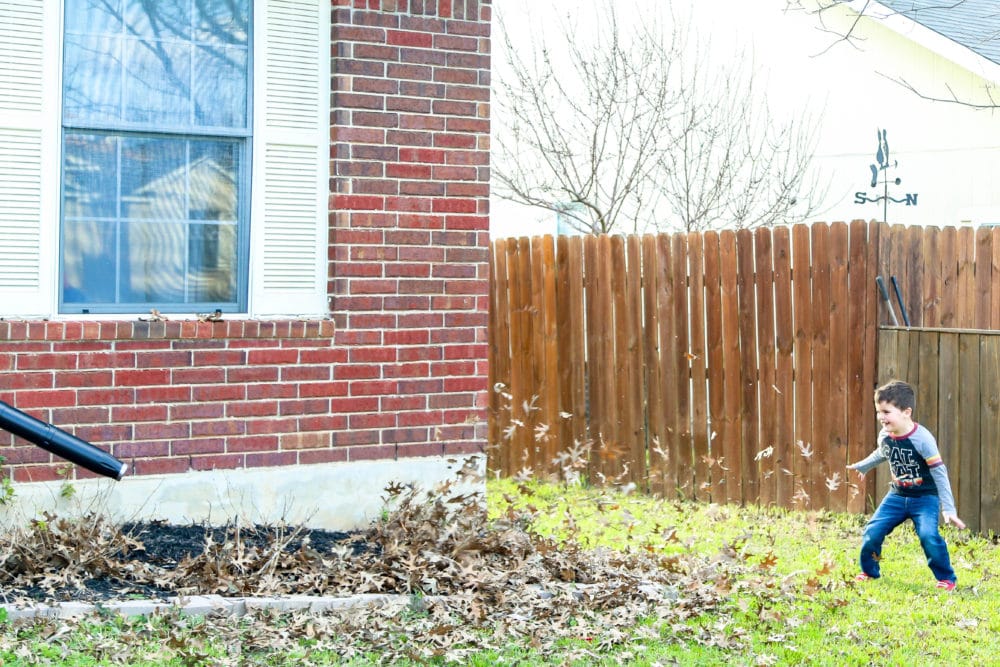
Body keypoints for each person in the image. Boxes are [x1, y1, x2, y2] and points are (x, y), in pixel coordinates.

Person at [847, 379, 966, 591]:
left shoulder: (923, 439)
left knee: (929, 535)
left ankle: (947, 578)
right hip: (897, 496)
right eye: (878, 412)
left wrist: (948, 508)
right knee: (872, 532)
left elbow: (940, 473)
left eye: (886, 412)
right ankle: (869, 571)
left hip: (924, 499)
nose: (881, 417)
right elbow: (882, 453)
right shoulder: (885, 434)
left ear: (906, 411)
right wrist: (863, 466)